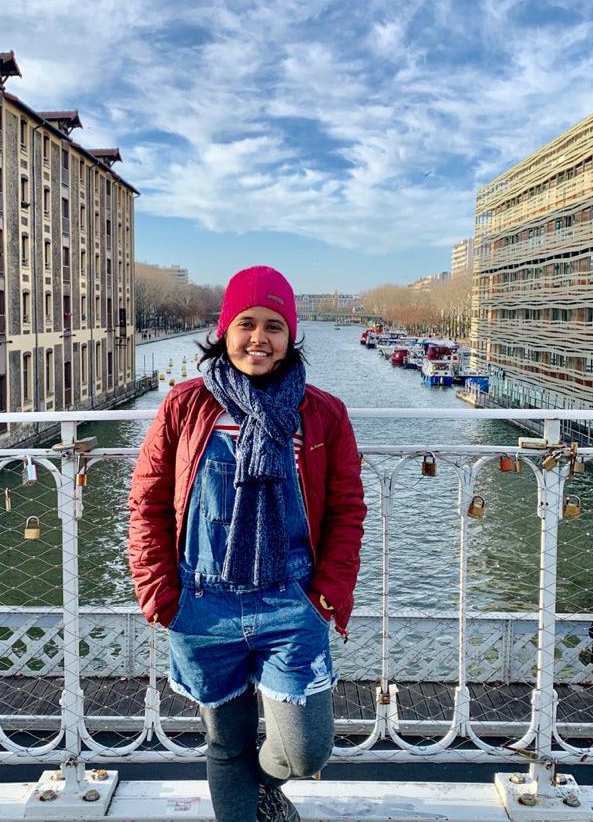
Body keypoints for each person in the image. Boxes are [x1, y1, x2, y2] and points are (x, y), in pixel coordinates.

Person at [128, 265, 366, 822]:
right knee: (226, 745)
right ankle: (250, 804)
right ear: (225, 331)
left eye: (274, 326)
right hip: (201, 602)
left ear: (291, 336)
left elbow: (347, 509)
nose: (259, 338)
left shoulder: (322, 413)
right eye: (247, 323)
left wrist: (326, 594)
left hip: (293, 600)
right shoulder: (186, 405)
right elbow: (148, 502)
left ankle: (265, 784)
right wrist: (159, 592)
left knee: (306, 750)